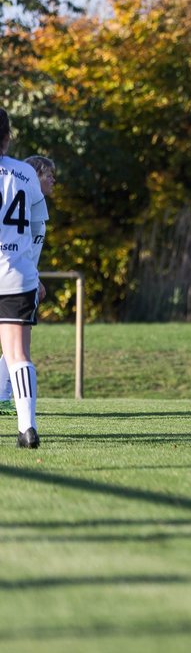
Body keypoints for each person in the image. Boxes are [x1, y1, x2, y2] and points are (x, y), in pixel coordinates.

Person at [0, 114, 49, 448]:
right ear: (7, 137)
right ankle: (27, 429)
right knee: (18, 354)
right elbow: (36, 228)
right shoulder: (26, 172)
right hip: (17, 275)